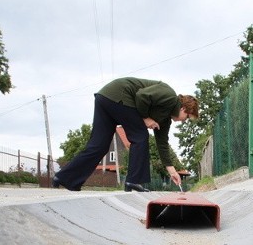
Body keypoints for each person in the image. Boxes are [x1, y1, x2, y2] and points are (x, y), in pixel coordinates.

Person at [53, 77, 199, 192]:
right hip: (119, 95)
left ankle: (64, 178)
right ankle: (133, 181)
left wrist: (172, 170)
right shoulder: (169, 96)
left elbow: (162, 144)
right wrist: (146, 118)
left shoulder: (165, 120)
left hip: (105, 98)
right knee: (140, 137)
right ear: (184, 108)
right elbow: (142, 95)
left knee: (99, 145)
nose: (183, 122)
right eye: (186, 118)